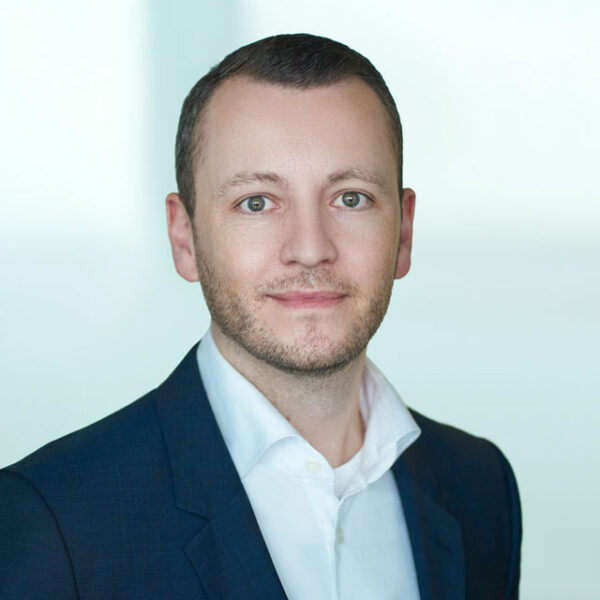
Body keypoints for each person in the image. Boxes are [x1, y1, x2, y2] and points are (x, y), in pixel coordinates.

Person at [0, 34, 521, 599]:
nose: (310, 249)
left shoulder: (479, 486)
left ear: (404, 230)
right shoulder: (51, 520)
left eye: (350, 198)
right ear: (184, 238)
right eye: (256, 202)